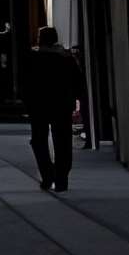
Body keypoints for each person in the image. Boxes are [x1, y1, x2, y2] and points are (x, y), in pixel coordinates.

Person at [21, 26, 84, 192]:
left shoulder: (32, 58)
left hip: (39, 105)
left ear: (40, 39)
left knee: (38, 141)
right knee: (63, 142)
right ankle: (61, 178)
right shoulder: (66, 58)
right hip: (62, 105)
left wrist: (26, 101)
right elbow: (78, 82)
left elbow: (25, 83)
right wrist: (76, 99)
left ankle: (47, 174)